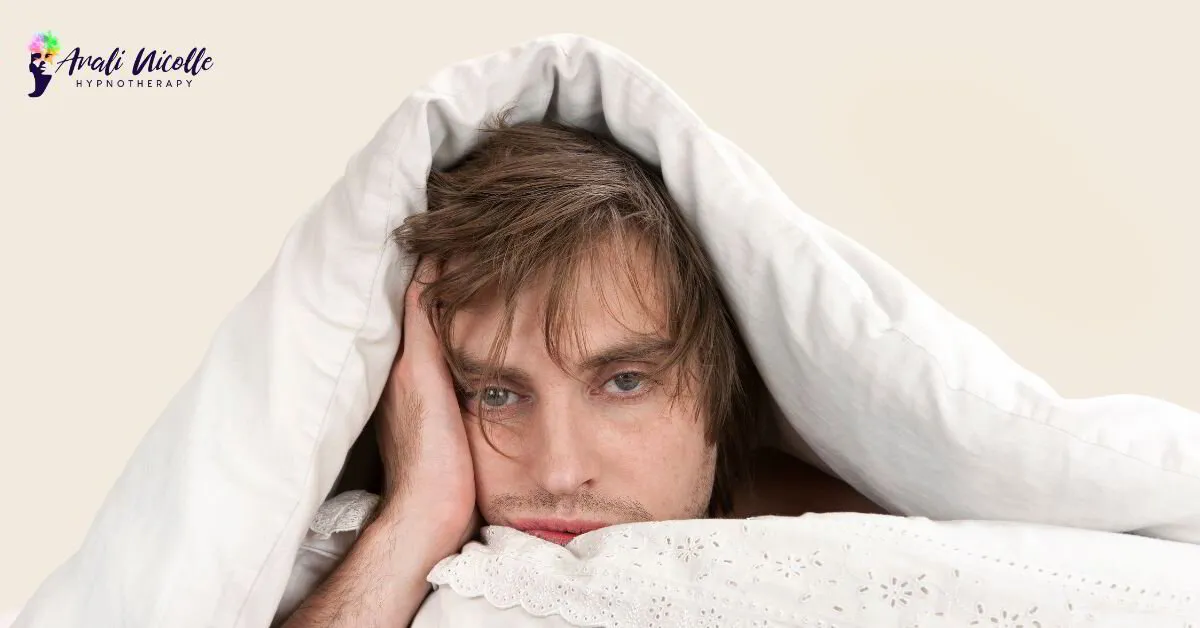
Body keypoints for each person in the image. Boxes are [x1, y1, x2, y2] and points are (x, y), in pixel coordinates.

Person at [279, 111, 882, 627]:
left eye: (625, 382)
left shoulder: (870, 568)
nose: (561, 473)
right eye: (494, 394)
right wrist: (416, 522)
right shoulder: (348, 554)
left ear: (723, 385)